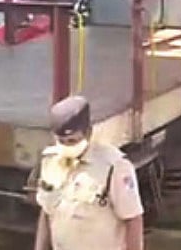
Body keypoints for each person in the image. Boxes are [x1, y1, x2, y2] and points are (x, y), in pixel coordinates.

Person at [33, 96, 144, 250]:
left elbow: (133, 219)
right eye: (61, 141)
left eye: (72, 141)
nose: (66, 147)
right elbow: (46, 212)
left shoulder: (113, 167)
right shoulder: (51, 161)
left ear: (88, 133)